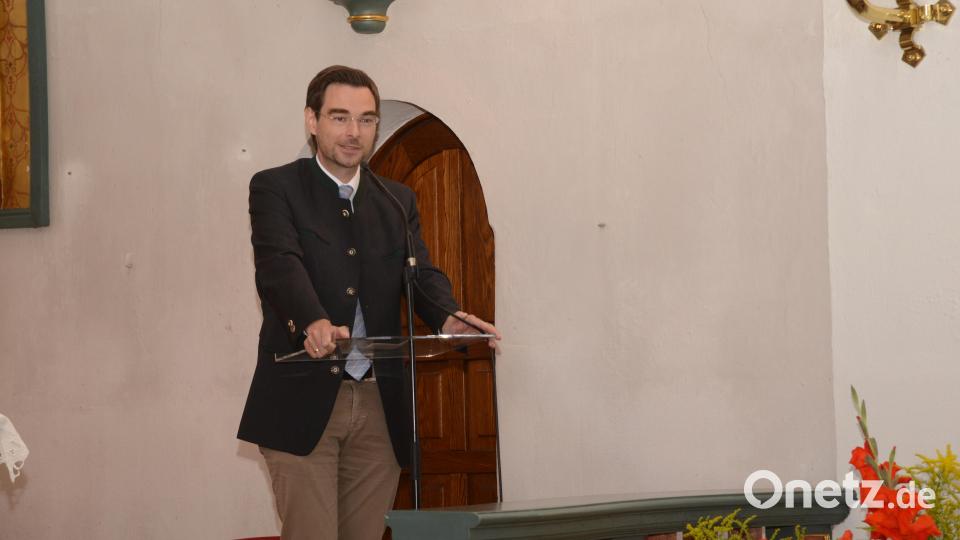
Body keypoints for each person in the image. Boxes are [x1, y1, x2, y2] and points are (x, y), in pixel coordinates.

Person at [237, 65, 500, 540]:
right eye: (339, 117)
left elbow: (419, 276)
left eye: (366, 120)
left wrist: (449, 316)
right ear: (312, 120)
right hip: (302, 400)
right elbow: (279, 264)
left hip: (380, 404)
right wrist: (313, 321)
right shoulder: (277, 187)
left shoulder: (396, 199)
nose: (353, 132)